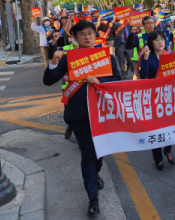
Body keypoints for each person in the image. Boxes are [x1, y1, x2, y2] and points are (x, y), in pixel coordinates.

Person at [43, 20, 121, 216]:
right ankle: (93, 198)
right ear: (75, 38)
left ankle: (95, 172)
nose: (88, 37)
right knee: (87, 154)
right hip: (78, 114)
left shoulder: (107, 58)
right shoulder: (68, 58)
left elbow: (117, 81)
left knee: (99, 151)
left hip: (103, 114)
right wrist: (53, 62)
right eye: (83, 34)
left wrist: (100, 80)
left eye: (91, 33)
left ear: (96, 36)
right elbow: (48, 81)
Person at [139, 31, 175, 171]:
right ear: (151, 43)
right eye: (156, 40)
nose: (160, 42)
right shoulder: (147, 56)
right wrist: (146, 58)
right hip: (154, 99)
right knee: (155, 129)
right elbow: (143, 77)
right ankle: (158, 158)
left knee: (170, 127)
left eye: (162, 39)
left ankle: (168, 149)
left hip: (169, 98)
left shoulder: (169, 56)